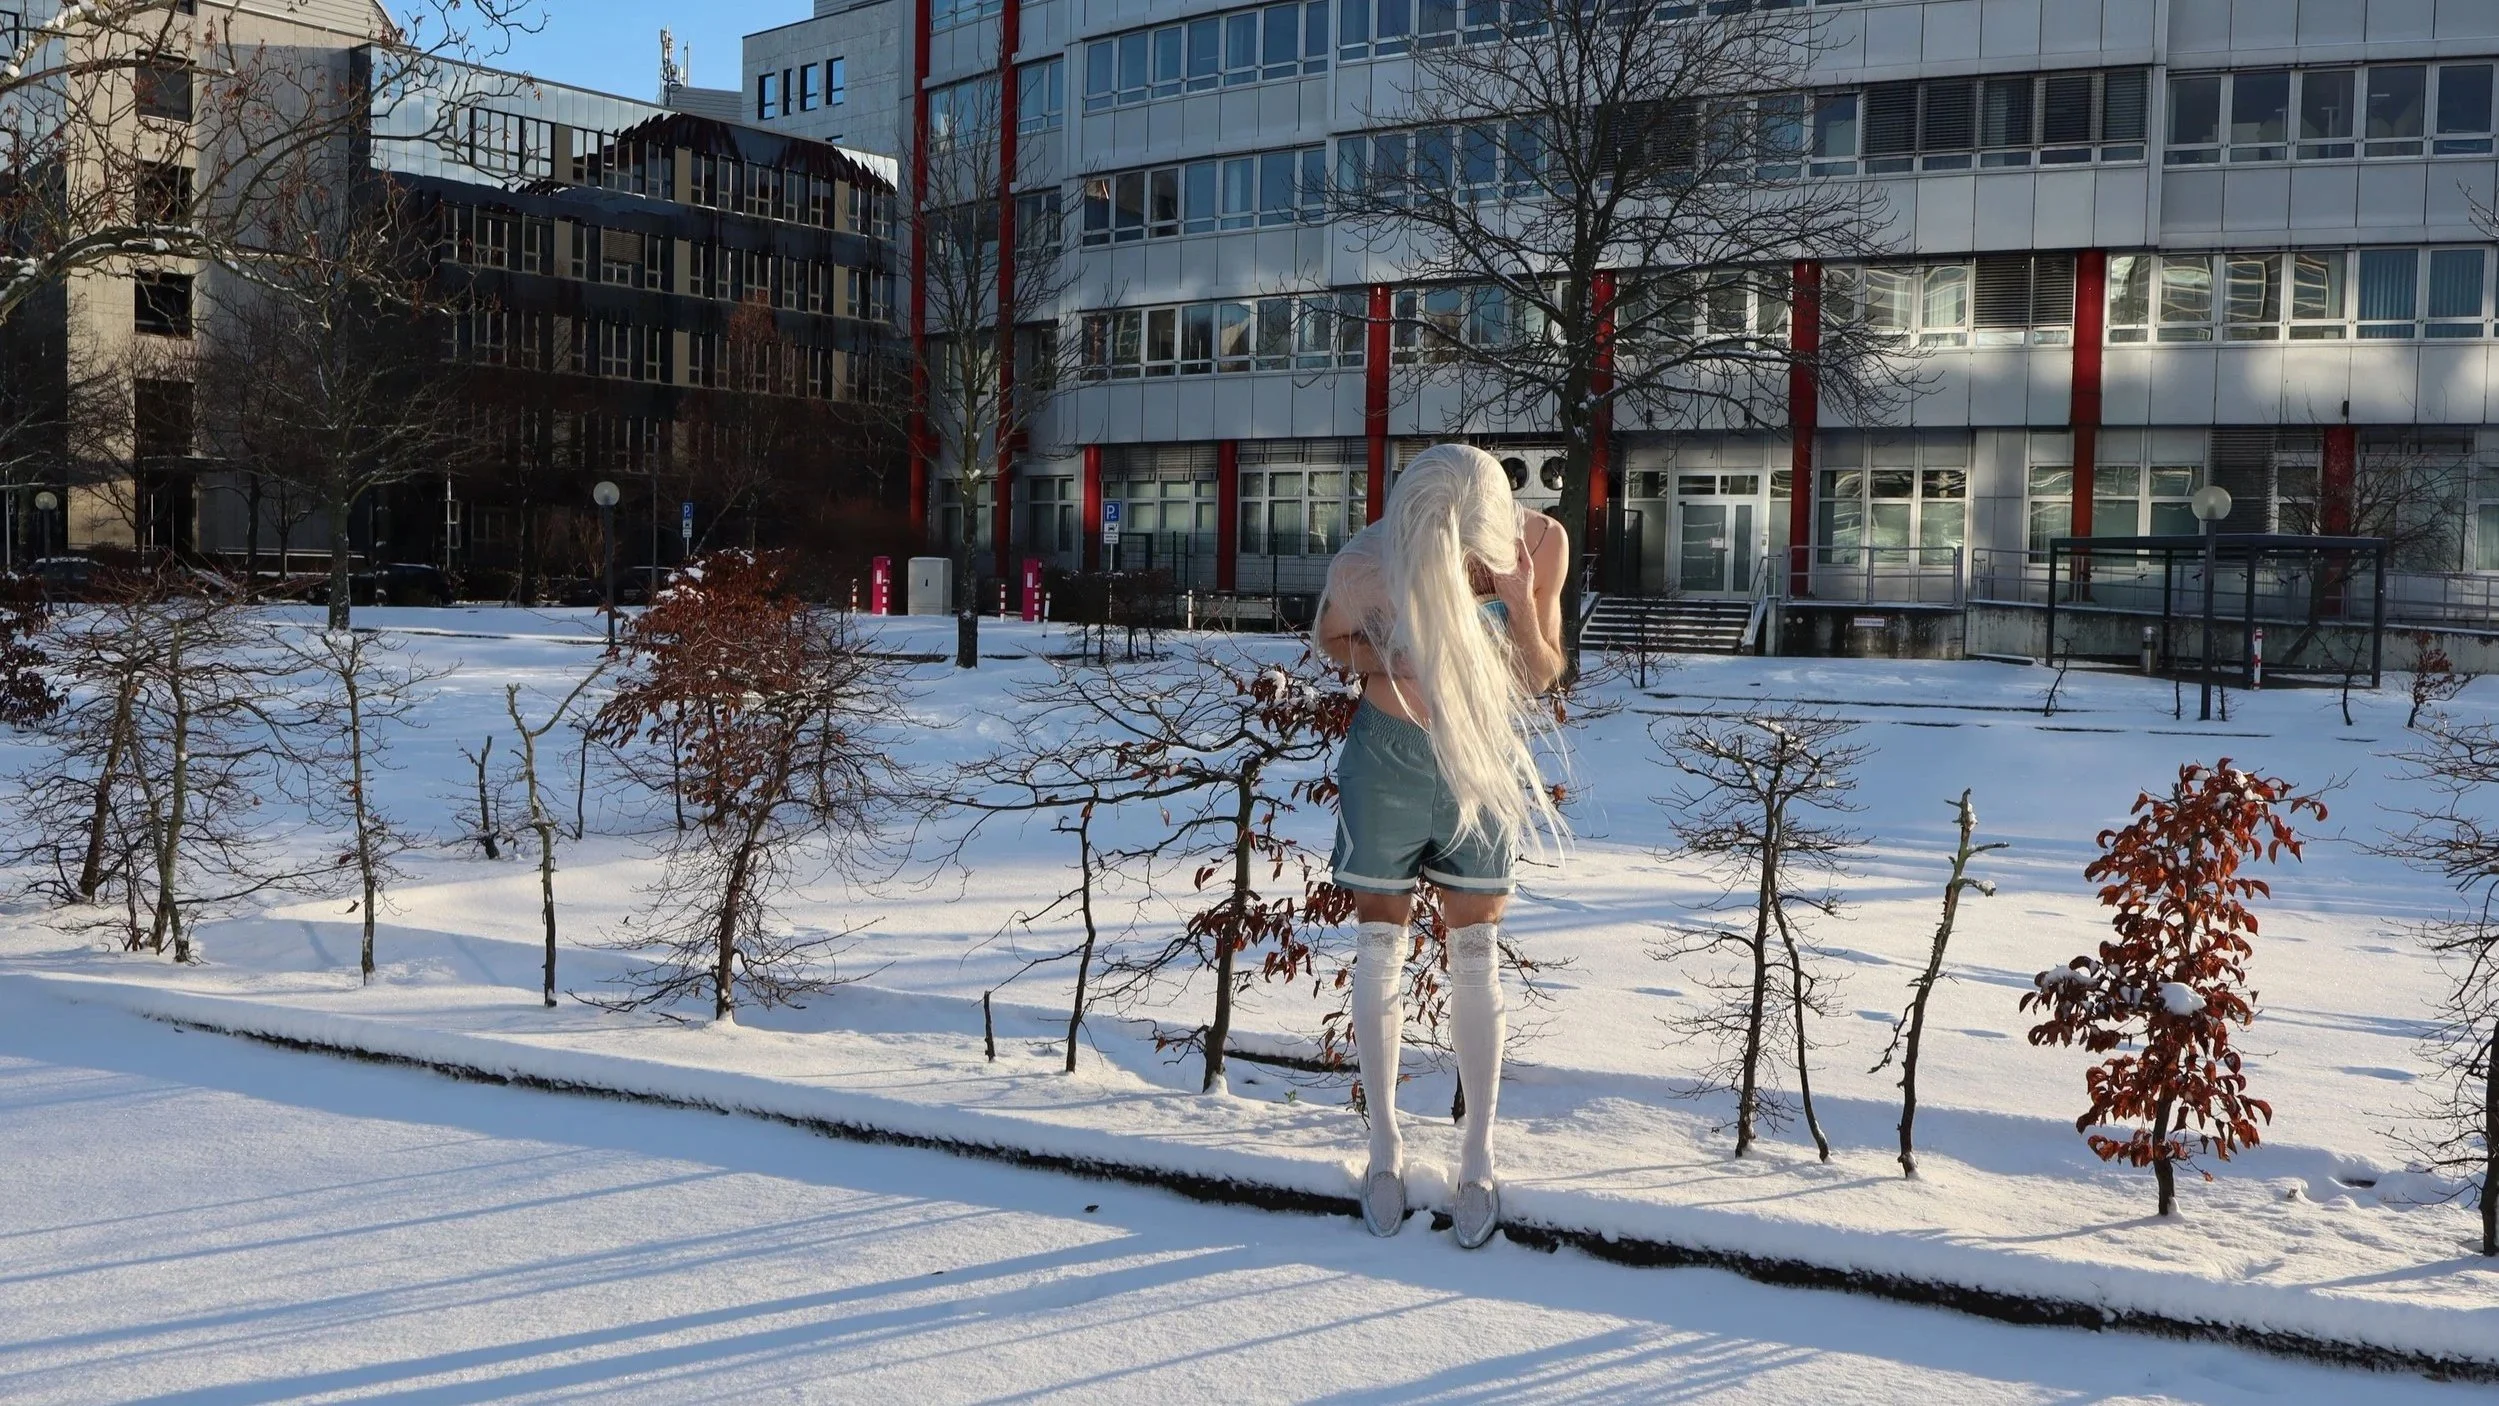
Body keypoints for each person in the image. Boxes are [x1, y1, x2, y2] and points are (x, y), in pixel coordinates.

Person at [1313, 442, 1569, 1249]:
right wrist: (1395, 654)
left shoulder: (1540, 543)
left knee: (1476, 953)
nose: (1459, 565)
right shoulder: (1368, 562)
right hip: (1386, 759)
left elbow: (1540, 674)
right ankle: (1384, 1148)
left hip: (1477, 758)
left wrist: (1518, 603)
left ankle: (1477, 1156)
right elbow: (1331, 639)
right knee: (1378, 946)